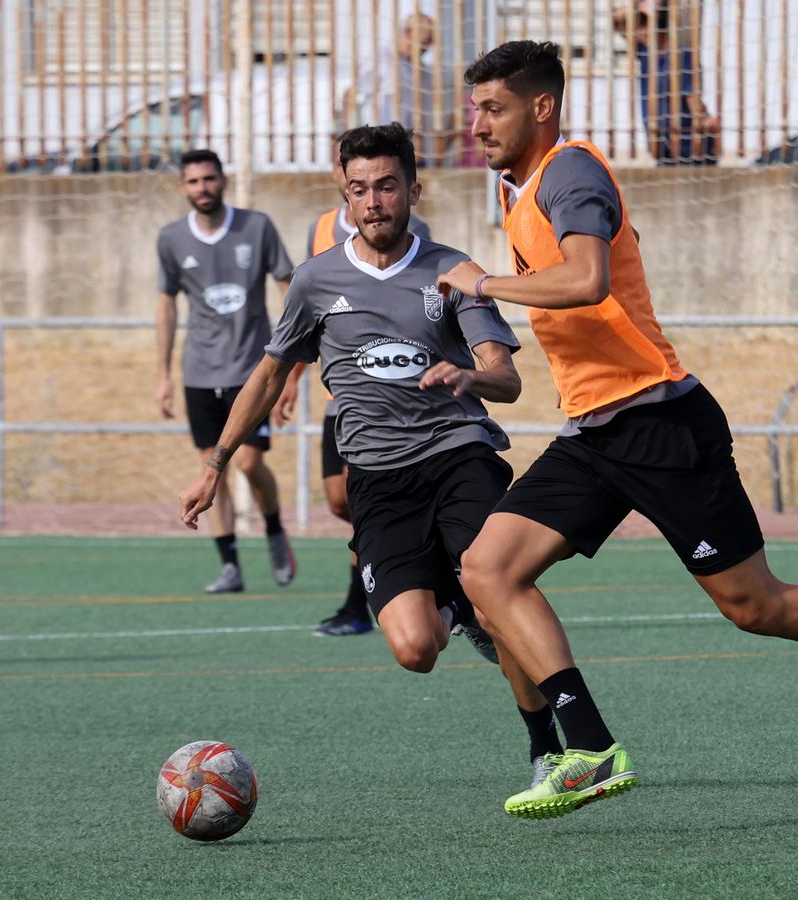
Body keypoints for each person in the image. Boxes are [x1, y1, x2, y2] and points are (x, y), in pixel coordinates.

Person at [445, 41, 798, 819]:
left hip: (661, 421)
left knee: (755, 606)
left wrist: (482, 283)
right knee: (486, 569)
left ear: (542, 108)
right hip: (596, 434)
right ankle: (590, 750)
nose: (478, 123)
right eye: (474, 108)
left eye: (492, 108)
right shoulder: (517, 185)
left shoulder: (571, 171)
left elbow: (587, 277)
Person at [179, 123, 564, 784]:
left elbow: (507, 377)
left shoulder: (451, 269)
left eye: (387, 186)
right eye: (359, 189)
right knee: (416, 649)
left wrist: (470, 375)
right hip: (379, 480)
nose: (374, 201)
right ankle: (454, 603)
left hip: (459, 455)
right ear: (344, 195)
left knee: (498, 593)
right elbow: (270, 373)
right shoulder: (316, 280)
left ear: (413, 188)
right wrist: (215, 464)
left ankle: (547, 748)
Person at [293, 137, 435, 638]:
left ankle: (361, 603)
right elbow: (306, 317)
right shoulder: (318, 232)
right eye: (349, 175)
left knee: (362, 493)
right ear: (340, 176)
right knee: (338, 499)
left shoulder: (409, 229)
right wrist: (291, 379)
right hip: (340, 394)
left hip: (390, 398)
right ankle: (404, 558)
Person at [156, 148, 299, 594]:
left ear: (223, 181)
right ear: (183, 187)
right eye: (194, 181)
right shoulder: (172, 239)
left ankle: (274, 531)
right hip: (200, 371)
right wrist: (162, 372)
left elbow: (290, 288)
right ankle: (230, 565)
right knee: (207, 467)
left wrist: (293, 361)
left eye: (210, 179)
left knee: (251, 462)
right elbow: (167, 304)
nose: (203, 188)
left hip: (250, 370)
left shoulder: (256, 228)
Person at [612, 0, 720, 165]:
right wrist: (640, 6)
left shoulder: (681, 55)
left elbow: (693, 99)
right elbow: (616, 19)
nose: (636, 29)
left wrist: (706, 121)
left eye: (642, 22)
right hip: (663, 148)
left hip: (689, 149)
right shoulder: (645, 53)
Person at [341, 10, 453, 165]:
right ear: (408, 33)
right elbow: (351, 95)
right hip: (381, 151)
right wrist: (349, 138)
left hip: (415, 156)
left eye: (430, 41)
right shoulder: (382, 60)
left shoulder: (425, 73)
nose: (428, 46)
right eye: (425, 40)